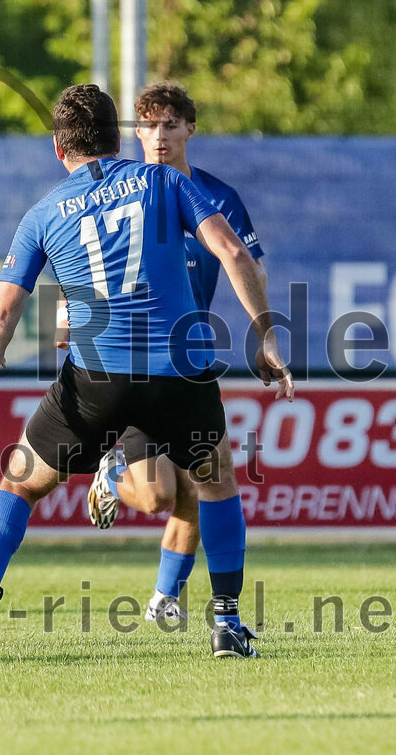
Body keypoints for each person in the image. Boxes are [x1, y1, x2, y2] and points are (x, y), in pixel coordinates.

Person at [0, 84, 293, 667]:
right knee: (215, 483)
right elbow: (236, 256)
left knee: (18, 481)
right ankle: (227, 624)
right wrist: (264, 336)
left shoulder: (42, 214)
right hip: (179, 372)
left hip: (95, 378)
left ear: (57, 148)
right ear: (119, 138)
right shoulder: (167, 182)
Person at [55, 82, 268, 624]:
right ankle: (112, 464)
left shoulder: (216, 197)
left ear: (189, 130)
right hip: (129, 361)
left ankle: (164, 598)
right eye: (146, 126)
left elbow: (247, 261)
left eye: (169, 124)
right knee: (155, 497)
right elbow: (86, 250)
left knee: (204, 483)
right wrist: (66, 312)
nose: (157, 136)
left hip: (186, 365)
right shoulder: (128, 190)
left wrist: (261, 328)